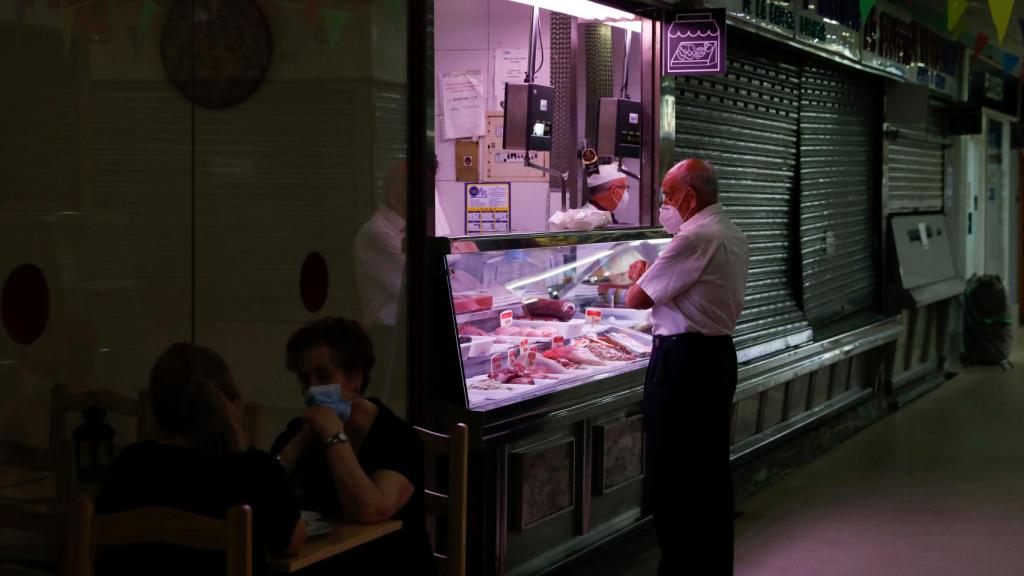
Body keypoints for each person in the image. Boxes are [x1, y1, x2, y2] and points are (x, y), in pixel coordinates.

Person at [625, 159, 749, 575]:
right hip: (716, 357)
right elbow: (689, 288)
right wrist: (650, 276)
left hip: (683, 365)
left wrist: (639, 278)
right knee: (708, 472)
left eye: (668, 195)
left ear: (690, 197)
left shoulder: (694, 238)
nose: (664, 204)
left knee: (675, 475)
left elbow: (636, 300)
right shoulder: (730, 231)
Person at [95, 343, 305, 576]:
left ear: (156, 405)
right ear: (230, 400)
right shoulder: (256, 468)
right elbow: (290, 544)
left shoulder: (130, 463)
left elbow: (100, 542)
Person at [271, 316, 435, 575]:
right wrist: (299, 443)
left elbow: (371, 510)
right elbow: (264, 491)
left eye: (323, 376)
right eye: (305, 379)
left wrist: (334, 437)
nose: (312, 389)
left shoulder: (397, 437)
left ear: (355, 378)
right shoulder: (302, 430)